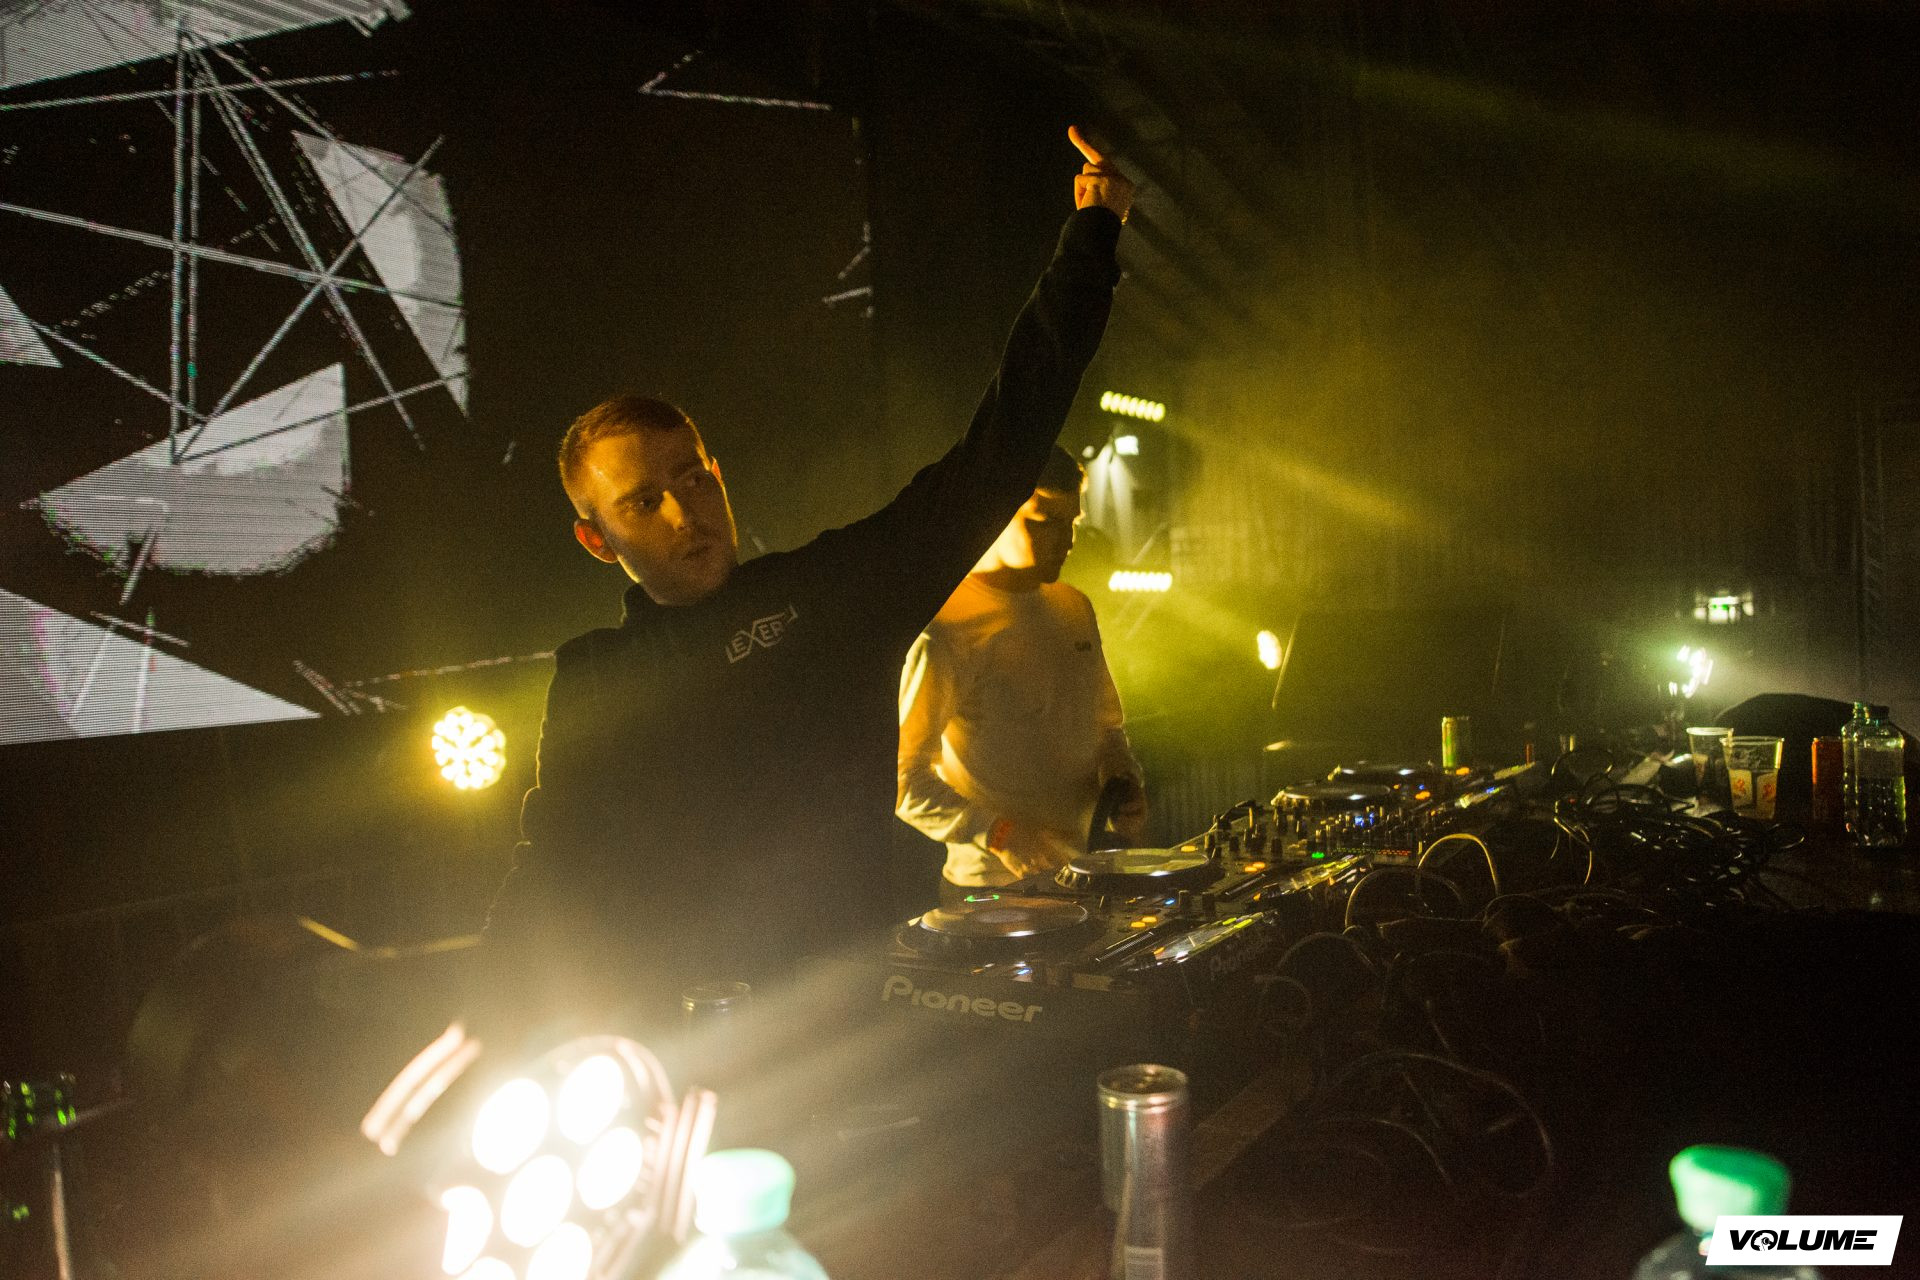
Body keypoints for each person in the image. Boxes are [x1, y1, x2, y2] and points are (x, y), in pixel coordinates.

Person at [486, 127, 1134, 1029]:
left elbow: (998, 450)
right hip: (692, 1034)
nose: (684, 514)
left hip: (867, 1010)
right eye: (643, 503)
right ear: (597, 540)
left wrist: (1091, 240)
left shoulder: (829, 594)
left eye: (694, 479)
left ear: (719, 476)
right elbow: (555, 870)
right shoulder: (594, 676)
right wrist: (483, 1021)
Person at [896, 446, 1146, 906]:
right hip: (992, 892)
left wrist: (1121, 778)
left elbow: (1108, 727)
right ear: (994, 518)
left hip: (1087, 877)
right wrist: (999, 833)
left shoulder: (1074, 607)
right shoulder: (946, 630)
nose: (1068, 539)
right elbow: (904, 781)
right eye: (1046, 522)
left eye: (1072, 522)